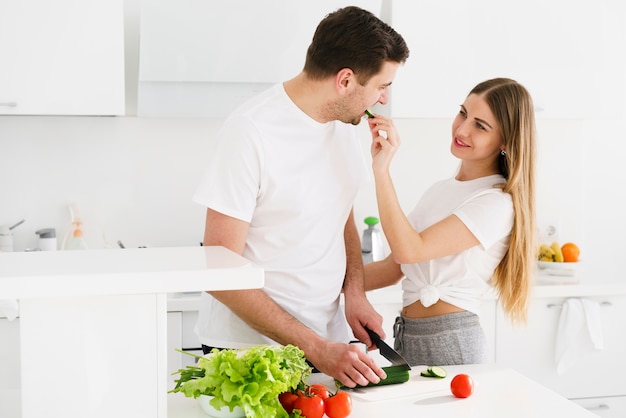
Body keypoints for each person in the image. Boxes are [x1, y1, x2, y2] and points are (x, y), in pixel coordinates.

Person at [192, 6, 410, 387]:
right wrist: (315, 347)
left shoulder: (344, 124)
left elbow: (341, 213)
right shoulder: (251, 131)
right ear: (345, 81)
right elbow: (219, 273)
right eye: (381, 85)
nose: (384, 99)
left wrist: (353, 293)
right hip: (250, 353)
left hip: (328, 345)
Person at [364, 78, 536, 366]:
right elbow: (394, 267)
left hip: (450, 341)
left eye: (480, 126)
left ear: (505, 140)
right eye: (463, 113)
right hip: (408, 335)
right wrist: (321, 283)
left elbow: (410, 249)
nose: (462, 128)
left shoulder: (497, 202)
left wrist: (382, 171)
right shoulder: (440, 190)